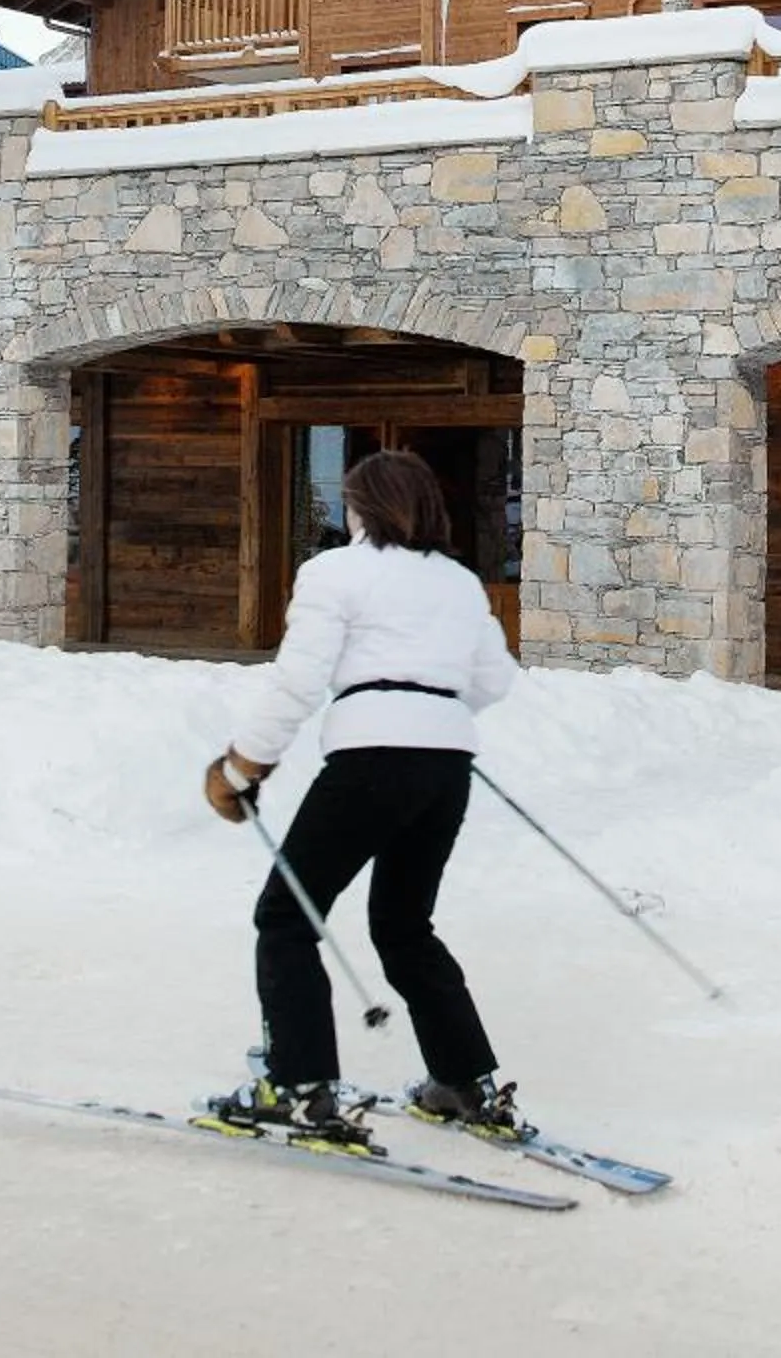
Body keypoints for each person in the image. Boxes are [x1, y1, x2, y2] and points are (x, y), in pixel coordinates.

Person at [200, 446, 520, 1147]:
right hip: (446, 765)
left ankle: (301, 1089)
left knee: (286, 918)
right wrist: (427, 701)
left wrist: (243, 767)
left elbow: (297, 681)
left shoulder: (334, 572)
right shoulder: (461, 584)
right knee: (405, 926)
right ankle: (465, 1084)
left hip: (369, 757)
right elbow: (494, 681)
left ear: (363, 508)